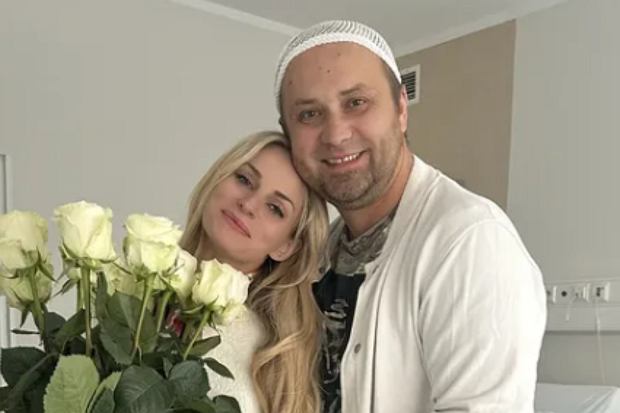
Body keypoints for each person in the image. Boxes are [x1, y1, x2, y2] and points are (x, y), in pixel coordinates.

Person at [275, 20, 547, 413]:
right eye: (309, 114)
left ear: (401, 108)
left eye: (356, 102)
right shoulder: (323, 253)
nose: (335, 134)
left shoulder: (468, 241)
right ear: (288, 134)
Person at [179, 130, 329, 413]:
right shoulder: (129, 287)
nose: (247, 204)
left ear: (286, 246)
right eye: (244, 179)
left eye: (275, 208)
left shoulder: (271, 357)